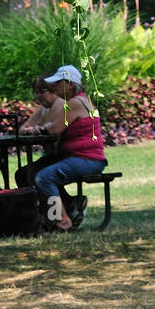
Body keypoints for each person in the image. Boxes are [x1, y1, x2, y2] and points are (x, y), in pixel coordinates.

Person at [28, 64, 105, 231]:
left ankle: (61, 221)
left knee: (44, 177)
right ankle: (66, 207)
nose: (54, 86)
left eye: (58, 83)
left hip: (87, 159)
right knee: (29, 173)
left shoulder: (75, 103)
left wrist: (39, 128)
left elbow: (55, 128)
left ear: (71, 84)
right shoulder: (79, 100)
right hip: (78, 157)